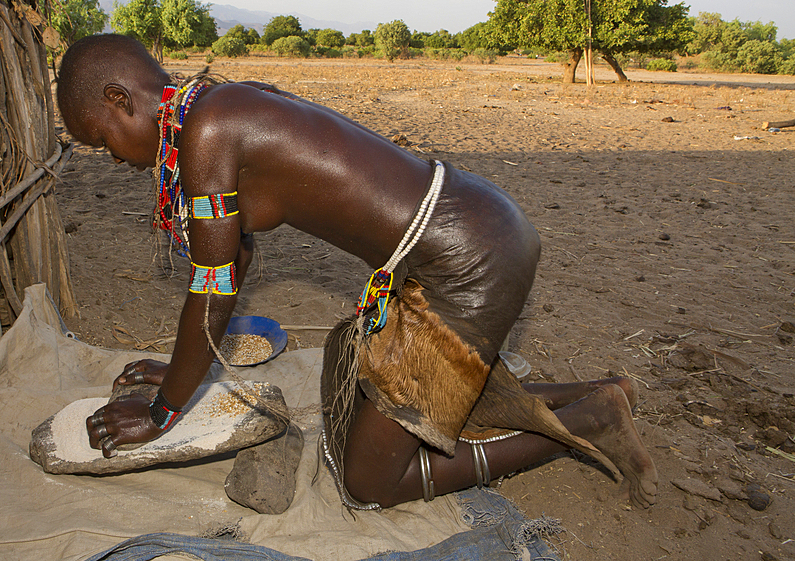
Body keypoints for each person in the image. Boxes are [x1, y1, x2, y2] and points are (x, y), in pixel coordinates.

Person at [55, 33, 658, 510]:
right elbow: (233, 261)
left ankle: (592, 418)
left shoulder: (205, 137)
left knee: (371, 482)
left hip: (467, 261)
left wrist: (164, 410)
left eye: (100, 138)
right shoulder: (218, 105)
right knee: (398, 404)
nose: (110, 157)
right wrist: (188, 367)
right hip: (471, 224)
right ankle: (603, 392)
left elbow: (211, 289)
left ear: (119, 99)